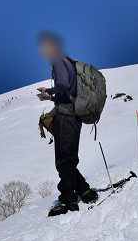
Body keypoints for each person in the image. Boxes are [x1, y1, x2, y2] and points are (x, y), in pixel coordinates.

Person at [36, 31, 97, 216]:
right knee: (67, 158)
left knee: (64, 160)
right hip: (72, 115)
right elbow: (68, 90)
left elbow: (62, 85)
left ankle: (68, 201)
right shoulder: (68, 63)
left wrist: (49, 91)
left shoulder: (59, 61)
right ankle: (85, 191)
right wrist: (52, 96)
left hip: (67, 116)